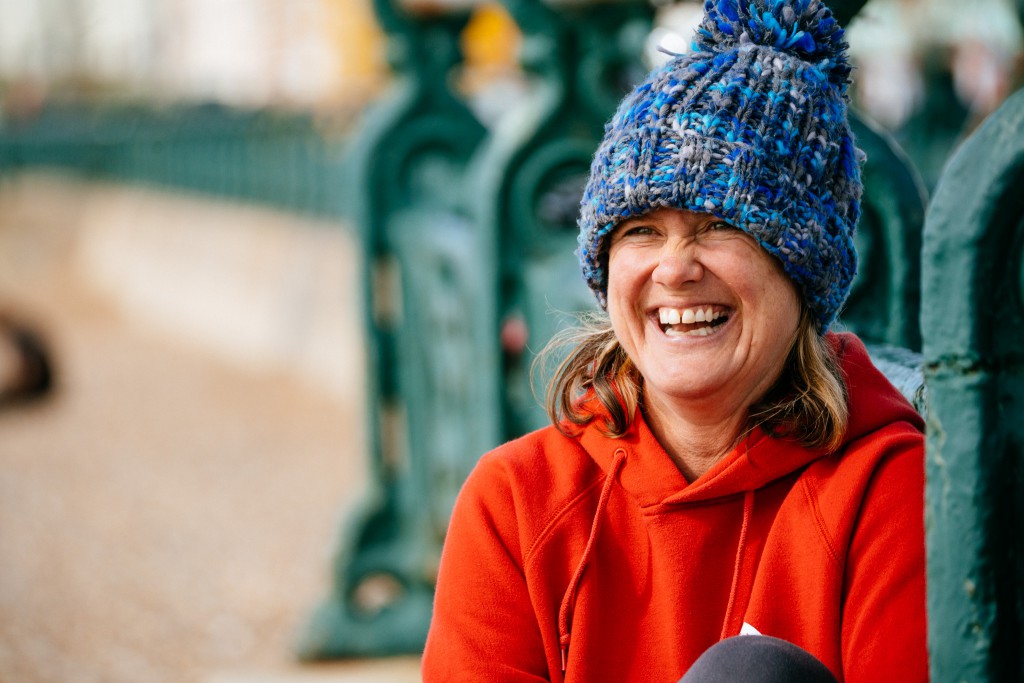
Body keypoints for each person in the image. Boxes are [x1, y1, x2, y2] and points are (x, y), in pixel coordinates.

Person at [422, 0, 928, 680]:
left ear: (800, 270)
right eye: (640, 230)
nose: (674, 267)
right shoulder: (516, 501)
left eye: (719, 226)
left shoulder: (885, 489)